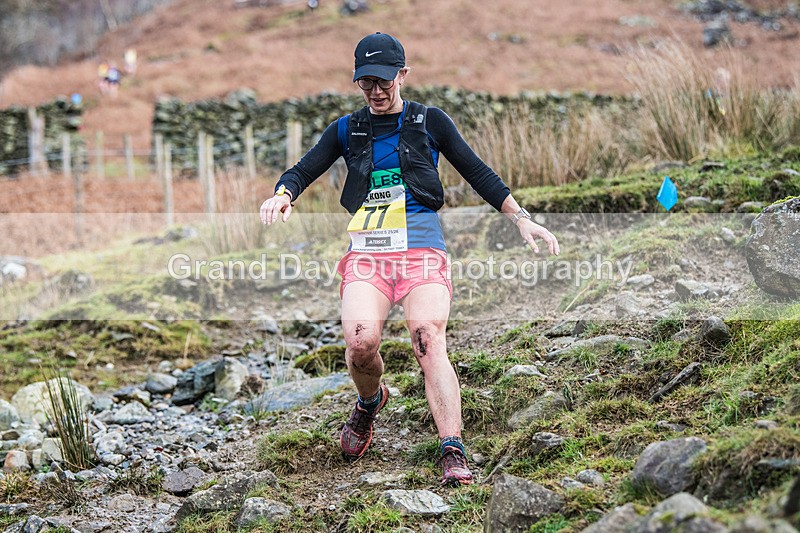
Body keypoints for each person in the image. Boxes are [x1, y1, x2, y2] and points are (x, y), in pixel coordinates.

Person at [260, 32, 560, 486]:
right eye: (366, 83)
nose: (376, 92)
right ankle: (369, 402)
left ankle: (452, 448)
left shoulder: (430, 121)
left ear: (403, 74)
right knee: (360, 343)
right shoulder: (346, 129)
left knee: (427, 338)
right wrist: (284, 194)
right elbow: (303, 169)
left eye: (383, 81)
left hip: (421, 251)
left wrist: (521, 219)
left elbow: (477, 172)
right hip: (368, 256)